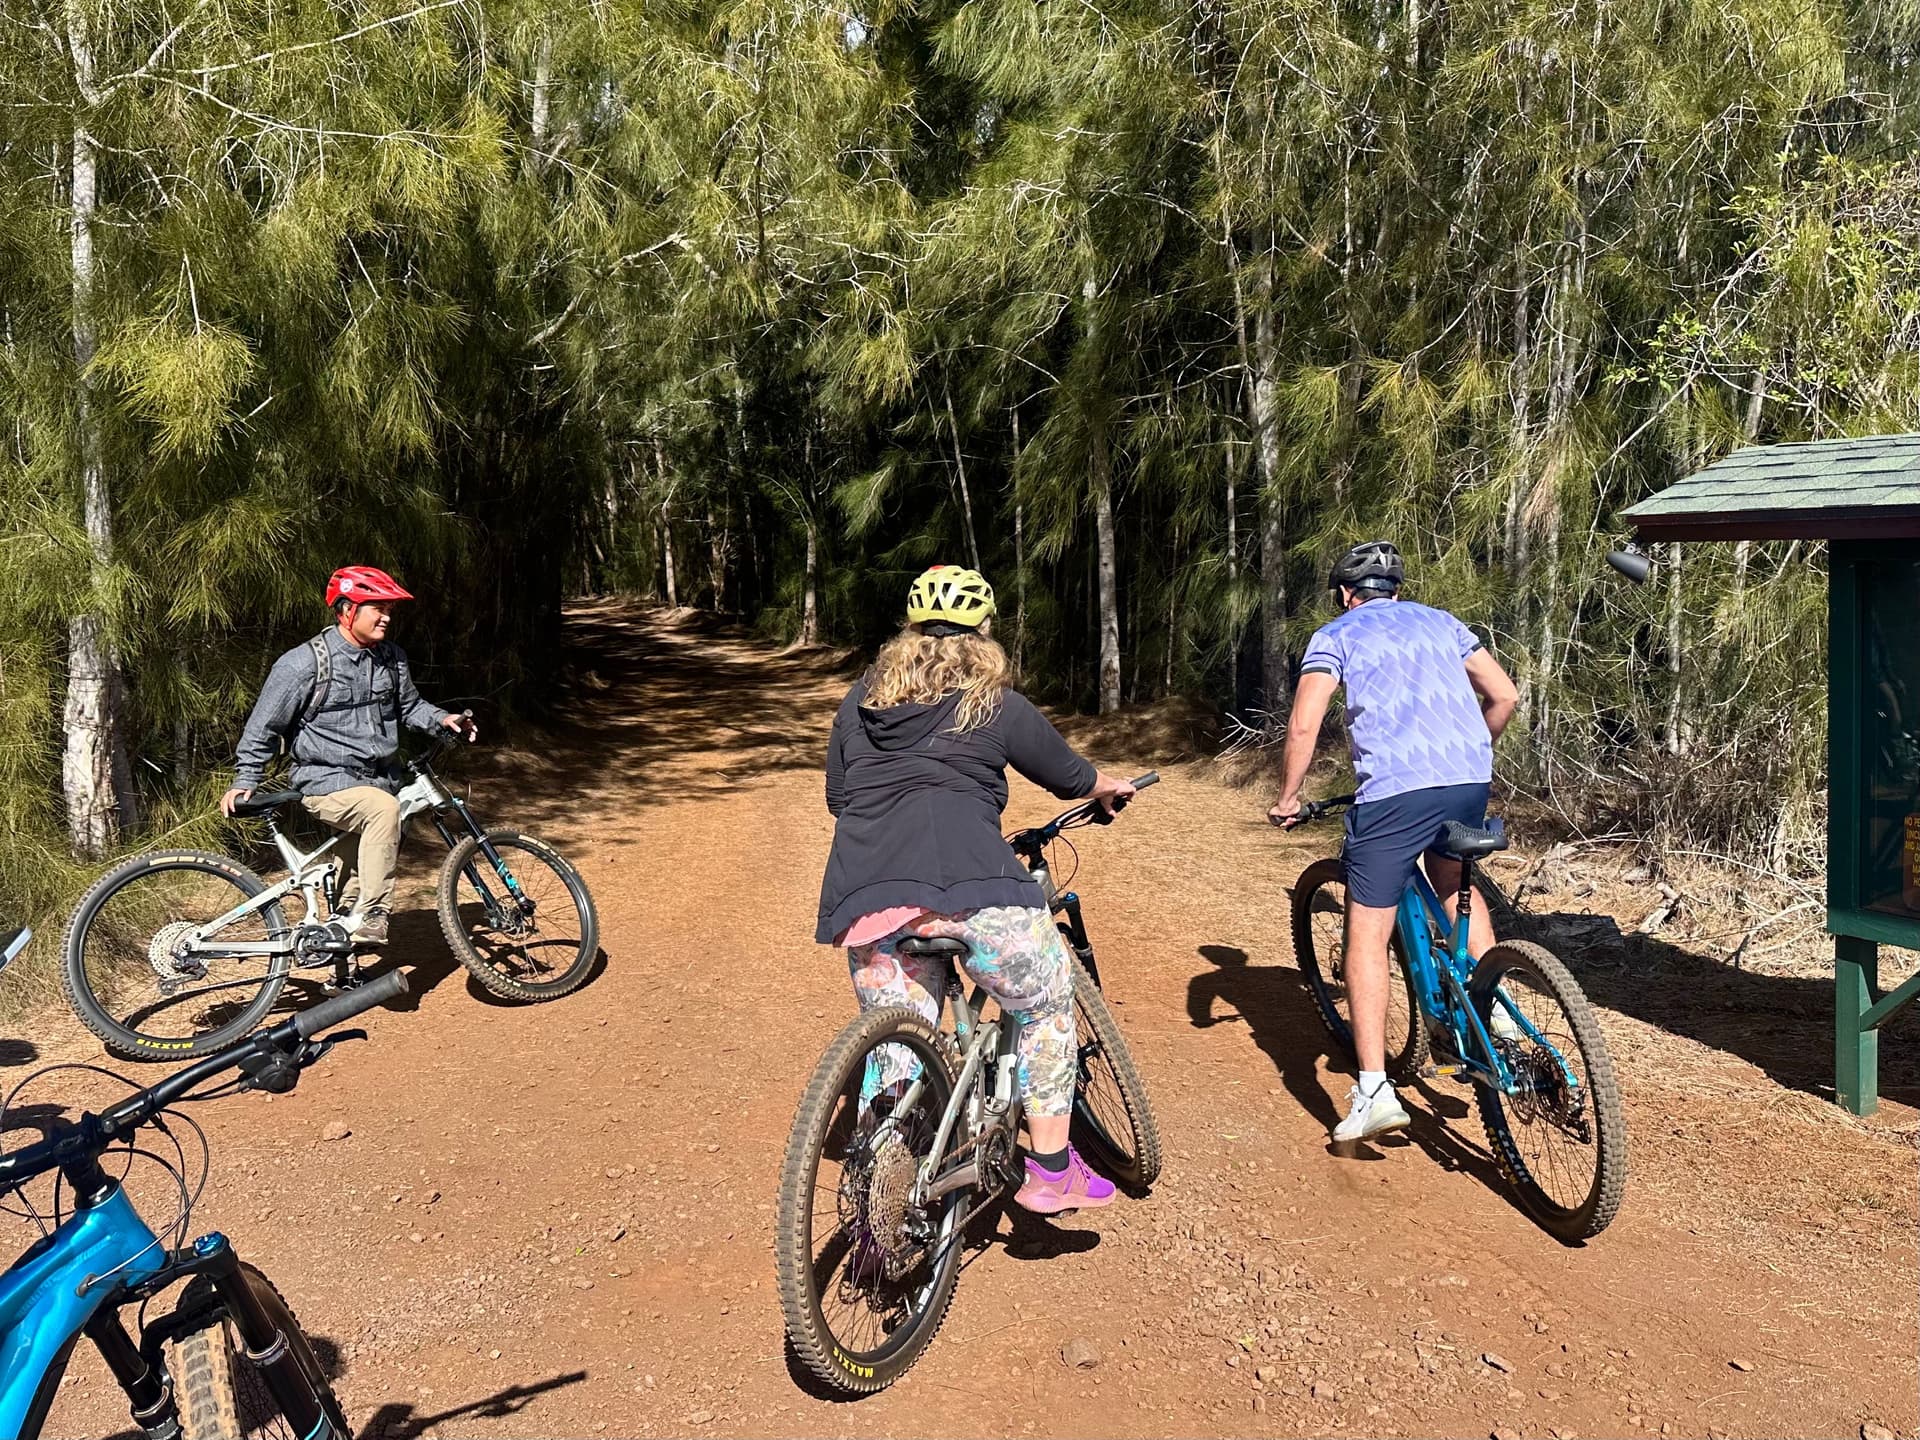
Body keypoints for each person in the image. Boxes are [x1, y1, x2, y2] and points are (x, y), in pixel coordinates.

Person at [818, 564, 1136, 1213]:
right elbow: (1071, 775)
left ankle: (879, 1193)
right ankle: (1050, 1168)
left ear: (908, 635)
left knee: (896, 1031)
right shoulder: (994, 701)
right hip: (973, 888)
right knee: (1046, 1001)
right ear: (983, 633)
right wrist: (1107, 786)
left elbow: (838, 798)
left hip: (870, 894)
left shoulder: (860, 701)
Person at [1268, 541, 1519, 1143]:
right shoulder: (1445, 623)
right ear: (1397, 592)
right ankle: (1499, 1013)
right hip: (1467, 777)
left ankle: (1375, 1089)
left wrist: (1289, 796)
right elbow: (1505, 695)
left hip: (1395, 792)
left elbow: (1304, 722)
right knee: (1455, 881)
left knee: (1368, 930)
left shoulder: (1337, 634)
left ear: (1346, 595)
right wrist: (1469, 750)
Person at [223, 566, 476, 948]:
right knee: (382, 811)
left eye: (389, 608)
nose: (386, 616)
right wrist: (246, 779)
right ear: (346, 611)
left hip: (379, 781)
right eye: (377, 607)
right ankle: (375, 912)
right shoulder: (303, 664)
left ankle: (341, 965)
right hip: (326, 784)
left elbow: (410, 707)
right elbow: (264, 726)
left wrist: (443, 719)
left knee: (357, 870)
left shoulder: (391, 658)